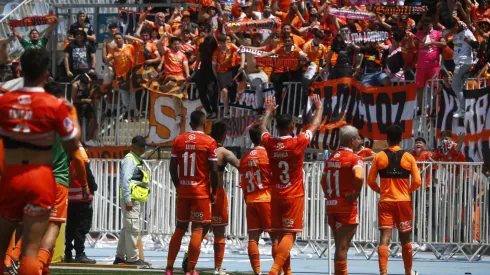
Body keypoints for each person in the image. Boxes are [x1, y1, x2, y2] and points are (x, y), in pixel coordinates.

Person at [0, 49, 80, 275]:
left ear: (20, 71)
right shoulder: (55, 105)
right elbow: (73, 145)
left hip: (13, 175)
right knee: (31, 249)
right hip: (41, 177)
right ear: (46, 73)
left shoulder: (5, 102)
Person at [260, 94, 323, 275]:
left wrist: (268, 112)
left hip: (276, 194)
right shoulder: (298, 142)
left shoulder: (270, 143)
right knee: (289, 235)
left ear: (277, 127)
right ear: (292, 127)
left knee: (278, 236)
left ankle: (287, 273)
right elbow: (315, 125)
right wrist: (318, 109)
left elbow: (262, 127)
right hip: (293, 194)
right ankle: (274, 271)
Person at [166, 110, 219, 275]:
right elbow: (214, 170)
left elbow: (172, 166)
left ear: (189, 124)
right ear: (205, 124)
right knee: (197, 229)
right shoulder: (209, 141)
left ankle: (169, 268)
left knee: (180, 227)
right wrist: (214, 191)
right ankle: (191, 269)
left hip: (184, 190)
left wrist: (178, 185)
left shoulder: (179, 140)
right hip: (200, 192)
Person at [367, 125, 421, 275]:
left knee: (385, 237)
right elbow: (417, 181)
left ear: (387, 139)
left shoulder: (379, 156)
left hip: (386, 201)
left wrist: (380, 190)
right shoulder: (409, 157)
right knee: (405, 238)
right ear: (401, 139)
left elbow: (370, 181)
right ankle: (408, 272)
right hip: (403, 201)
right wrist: (406, 191)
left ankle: (383, 272)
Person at [320, 125, 364, 275]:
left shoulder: (331, 157)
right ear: (352, 141)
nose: (359, 141)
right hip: (346, 205)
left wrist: (328, 195)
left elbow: (322, 180)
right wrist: (356, 192)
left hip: (332, 205)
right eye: (358, 138)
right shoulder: (354, 158)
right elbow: (359, 176)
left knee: (339, 244)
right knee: (343, 246)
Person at [239, 124, 272, 275]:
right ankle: (278, 270)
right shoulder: (268, 155)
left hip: (251, 200)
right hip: (266, 198)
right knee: (276, 237)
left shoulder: (245, 158)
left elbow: (244, 183)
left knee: (253, 238)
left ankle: (257, 272)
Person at [114, 136, 150, 266]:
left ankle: (120, 256)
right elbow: (125, 180)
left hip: (134, 199)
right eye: (141, 146)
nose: (143, 148)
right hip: (131, 200)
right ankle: (132, 258)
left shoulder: (135, 159)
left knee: (127, 229)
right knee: (132, 228)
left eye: (144, 146)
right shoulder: (130, 160)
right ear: (133, 146)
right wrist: (128, 200)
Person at [209, 122, 240, 275]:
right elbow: (240, 165)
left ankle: (190, 263)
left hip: (202, 191)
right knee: (219, 232)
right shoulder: (223, 152)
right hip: (218, 192)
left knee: (198, 230)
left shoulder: (204, 149)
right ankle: (218, 267)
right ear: (224, 136)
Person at [65, 143, 97, 264]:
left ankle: (68, 252)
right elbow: (87, 175)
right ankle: (79, 254)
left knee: (71, 227)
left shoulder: (68, 162)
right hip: (83, 198)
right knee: (82, 227)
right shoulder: (81, 161)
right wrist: (93, 186)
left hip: (72, 198)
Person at [446, 18, 479, 118]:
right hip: (458, 62)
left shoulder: (466, 32)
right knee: (459, 85)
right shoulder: (455, 33)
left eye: (453, 29)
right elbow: (456, 46)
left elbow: (476, 44)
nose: (453, 31)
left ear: (457, 25)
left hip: (465, 62)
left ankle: (463, 110)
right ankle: (466, 108)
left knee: (455, 85)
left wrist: (466, 39)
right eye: (451, 30)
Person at [105, 33, 136, 118]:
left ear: (122, 39)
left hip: (131, 74)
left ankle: (132, 111)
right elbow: (107, 59)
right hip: (120, 76)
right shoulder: (113, 51)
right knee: (124, 94)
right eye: (116, 39)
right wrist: (107, 60)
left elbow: (135, 56)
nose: (118, 40)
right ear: (114, 40)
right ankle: (126, 110)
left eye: (119, 38)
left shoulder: (130, 47)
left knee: (132, 93)